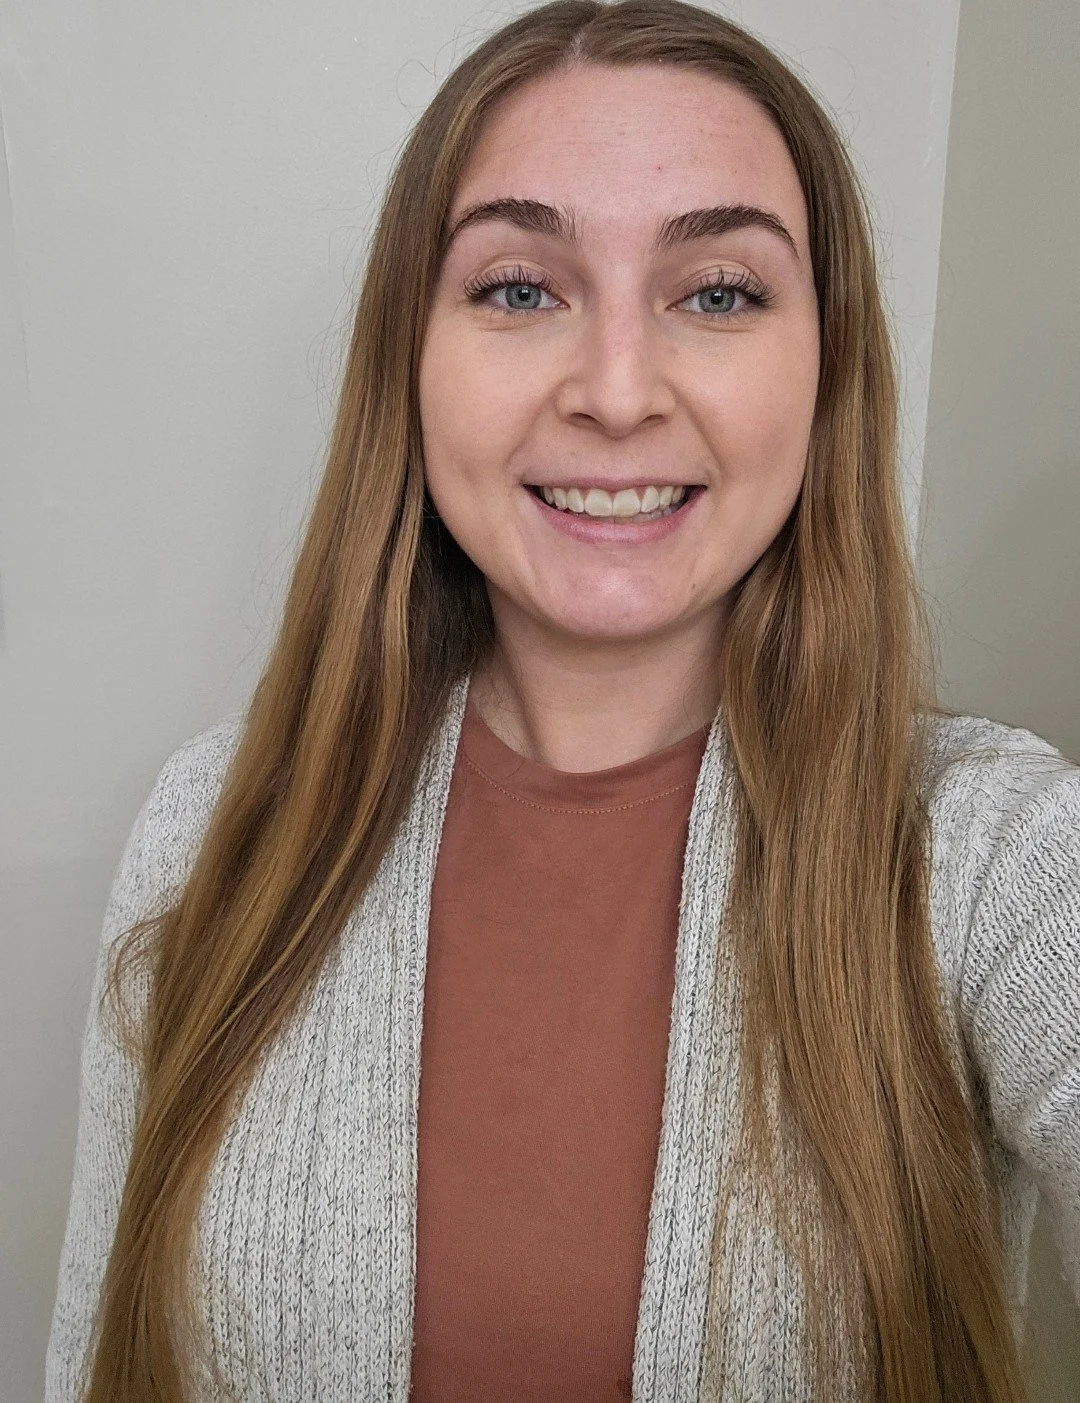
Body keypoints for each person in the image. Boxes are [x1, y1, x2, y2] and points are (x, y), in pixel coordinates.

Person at [44, 1, 1080, 1400]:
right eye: (521, 289)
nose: (614, 392)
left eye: (718, 292)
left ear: (825, 367)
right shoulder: (218, 819)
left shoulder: (993, 853)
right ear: (410, 360)